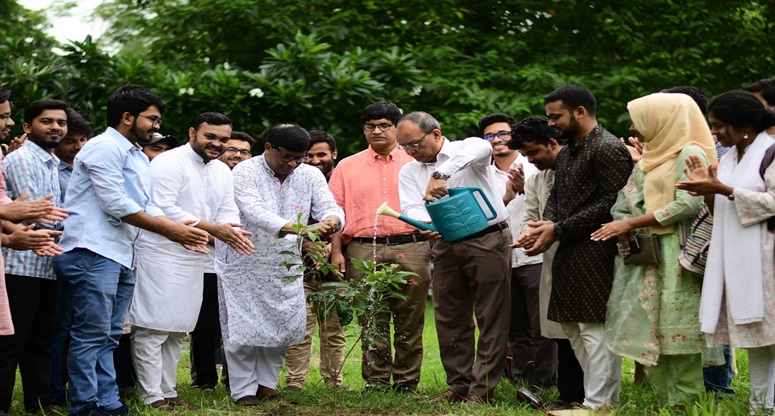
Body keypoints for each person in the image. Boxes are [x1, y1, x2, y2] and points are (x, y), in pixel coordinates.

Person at [53, 85, 210, 416]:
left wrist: (184, 231)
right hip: (91, 251)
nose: (156, 125)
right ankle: (85, 405)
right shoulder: (103, 148)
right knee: (90, 334)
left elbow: (147, 204)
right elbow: (116, 204)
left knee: (110, 335)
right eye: (151, 118)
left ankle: (108, 402)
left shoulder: (137, 155)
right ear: (127, 117)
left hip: (122, 253)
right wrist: (171, 229)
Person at [590, 93, 716, 408]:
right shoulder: (650, 156)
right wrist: (624, 225)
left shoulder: (689, 153)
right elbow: (625, 198)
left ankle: (685, 406)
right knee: (654, 336)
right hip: (647, 256)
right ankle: (665, 403)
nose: (634, 126)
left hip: (676, 254)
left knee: (680, 337)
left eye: (640, 118)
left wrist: (632, 223)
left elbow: (688, 203)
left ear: (663, 118)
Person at [516, 84, 633, 409]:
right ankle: (594, 400)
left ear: (580, 112)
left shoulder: (607, 148)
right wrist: (545, 225)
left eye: (556, 117)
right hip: (567, 249)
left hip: (598, 248)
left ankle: (600, 404)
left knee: (593, 329)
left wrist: (558, 227)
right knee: (572, 328)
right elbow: (556, 198)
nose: (551, 123)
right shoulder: (568, 153)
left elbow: (614, 200)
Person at [129, 112, 253, 411]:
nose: (217, 144)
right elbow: (162, 208)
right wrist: (214, 231)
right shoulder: (168, 162)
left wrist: (232, 233)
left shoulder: (222, 171)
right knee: (153, 327)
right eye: (210, 137)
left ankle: (169, 392)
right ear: (192, 133)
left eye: (223, 139)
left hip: (198, 258)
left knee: (178, 328)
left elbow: (227, 209)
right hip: (161, 252)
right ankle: (150, 395)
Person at [215, 124, 344, 406]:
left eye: (300, 158)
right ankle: (243, 390)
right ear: (269, 148)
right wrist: (299, 229)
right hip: (243, 258)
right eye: (287, 157)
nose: (293, 164)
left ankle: (267, 385)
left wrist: (333, 220)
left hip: (285, 263)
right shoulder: (245, 171)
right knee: (243, 328)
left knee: (280, 326)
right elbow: (253, 211)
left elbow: (327, 204)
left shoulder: (308, 174)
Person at [397, 111, 510, 405]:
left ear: (435, 134)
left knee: (491, 315)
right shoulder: (409, 170)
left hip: (487, 238)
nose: (411, 152)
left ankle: (482, 391)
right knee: (449, 315)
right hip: (445, 244)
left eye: (414, 144)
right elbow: (411, 207)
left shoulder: (465, 149)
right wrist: (428, 224)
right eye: (404, 147)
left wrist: (440, 174)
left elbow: (482, 147)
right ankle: (458, 385)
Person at [675, 90, 775, 414]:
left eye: (719, 126)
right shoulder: (731, 157)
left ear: (744, 124)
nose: (714, 132)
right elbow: (722, 208)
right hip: (740, 260)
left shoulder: (770, 152)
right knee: (761, 343)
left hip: (767, 261)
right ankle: (761, 408)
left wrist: (723, 189)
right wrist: (707, 190)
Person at [329, 102, 432, 393]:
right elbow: (334, 211)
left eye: (384, 125)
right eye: (370, 126)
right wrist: (337, 252)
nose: (376, 131)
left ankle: (406, 381)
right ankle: (376, 381)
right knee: (371, 317)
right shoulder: (347, 166)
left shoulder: (417, 162)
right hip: (362, 249)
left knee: (410, 319)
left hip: (411, 246)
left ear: (397, 128)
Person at [0, 99, 71, 415]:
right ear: (28, 127)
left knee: (42, 340)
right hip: (20, 262)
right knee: (11, 343)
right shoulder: (23, 160)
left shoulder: (51, 162)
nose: (56, 127)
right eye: (47, 121)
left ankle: (40, 402)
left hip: (47, 261)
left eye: (61, 122)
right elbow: (41, 214)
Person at [509, 115, 585, 408]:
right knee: (558, 330)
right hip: (551, 261)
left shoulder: (579, 168)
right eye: (526, 155)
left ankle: (591, 393)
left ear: (553, 143)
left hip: (583, 259)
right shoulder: (536, 179)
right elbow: (531, 219)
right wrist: (530, 237)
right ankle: (569, 394)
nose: (531, 160)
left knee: (586, 331)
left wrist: (549, 231)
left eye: (534, 153)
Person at [479, 113, 556, 389]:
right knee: (514, 326)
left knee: (542, 325)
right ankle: (522, 381)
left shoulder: (535, 164)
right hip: (499, 258)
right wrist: (507, 196)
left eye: (503, 134)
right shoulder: (481, 173)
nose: (497, 140)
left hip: (534, 256)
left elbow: (550, 209)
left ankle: (545, 383)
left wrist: (524, 190)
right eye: (490, 136)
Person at [190, 132, 254, 392]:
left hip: (242, 262)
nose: (238, 155)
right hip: (207, 259)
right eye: (232, 150)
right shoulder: (205, 177)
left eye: (245, 152)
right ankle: (204, 381)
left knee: (238, 323)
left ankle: (235, 381)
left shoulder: (253, 183)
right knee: (204, 323)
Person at [285, 129, 347, 391]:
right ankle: (294, 381)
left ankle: (334, 380)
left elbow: (341, 218)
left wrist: (334, 251)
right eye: (308, 155)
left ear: (333, 154)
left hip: (337, 264)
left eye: (320, 154)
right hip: (298, 261)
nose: (314, 160)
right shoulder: (293, 178)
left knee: (334, 327)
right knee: (300, 324)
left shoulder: (341, 180)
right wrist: (307, 244)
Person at [49, 108, 90, 405]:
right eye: (71, 141)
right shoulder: (54, 169)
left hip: (88, 256)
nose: (77, 147)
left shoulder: (89, 167)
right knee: (59, 328)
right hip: (57, 257)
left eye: (83, 139)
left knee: (83, 326)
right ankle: (53, 389)